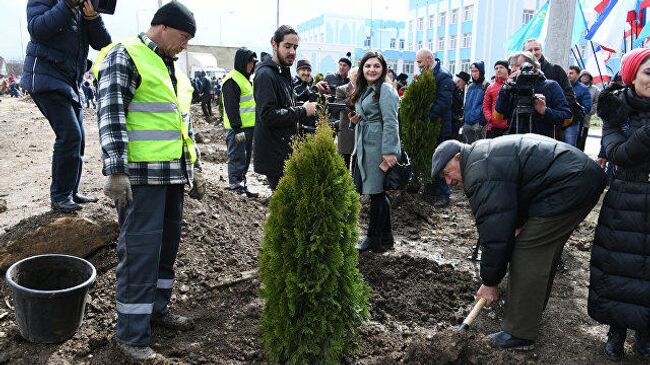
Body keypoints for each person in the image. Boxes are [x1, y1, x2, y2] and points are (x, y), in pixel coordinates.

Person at [93, 1, 204, 360]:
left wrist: (195, 165)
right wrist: (116, 168)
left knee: (165, 249)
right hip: (140, 179)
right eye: (183, 36)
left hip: (172, 176)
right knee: (139, 254)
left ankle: (156, 310)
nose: (184, 44)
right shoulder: (127, 55)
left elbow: (182, 125)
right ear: (162, 26)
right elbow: (111, 113)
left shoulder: (171, 69)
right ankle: (130, 336)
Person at [431, 134, 605, 350]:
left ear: (458, 157)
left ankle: (519, 333)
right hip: (577, 177)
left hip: (570, 183)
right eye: (444, 178)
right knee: (542, 248)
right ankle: (528, 310)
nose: (449, 182)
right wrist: (519, 223)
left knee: (528, 251)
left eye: (447, 173)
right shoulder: (480, 157)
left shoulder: (479, 173)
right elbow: (519, 188)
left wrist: (490, 282)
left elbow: (495, 235)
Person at [588, 47, 650, 361]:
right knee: (619, 269)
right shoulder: (615, 111)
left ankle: (645, 334)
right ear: (631, 75)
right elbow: (620, 153)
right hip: (626, 197)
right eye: (648, 73)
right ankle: (616, 332)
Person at [21, 0, 111, 212]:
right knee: (70, 134)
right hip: (45, 76)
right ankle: (60, 196)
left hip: (70, 81)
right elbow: (37, 28)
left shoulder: (82, 8)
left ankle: (70, 192)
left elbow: (102, 44)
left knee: (78, 138)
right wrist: (67, 5)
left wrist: (92, 18)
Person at [253, 25, 317, 191]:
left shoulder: (282, 72)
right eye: (287, 46)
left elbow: (285, 106)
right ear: (274, 44)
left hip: (285, 150)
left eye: (295, 47)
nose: (292, 52)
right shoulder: (266, 74)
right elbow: (268, 115)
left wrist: (301, 107)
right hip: (274, 154)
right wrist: (303, 111)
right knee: (287, 208)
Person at [348, 51, 400, 253]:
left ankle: (373, 238)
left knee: (376, 194)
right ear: (362, 69)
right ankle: (386, 238)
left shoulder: (385, 90)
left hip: (378, 147)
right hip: (365, 145)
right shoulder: (366, 89)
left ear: (383, 69)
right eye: (368, 66)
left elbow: (391, 122)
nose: (372, 70)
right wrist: (356, 122)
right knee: (377, 193)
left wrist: (389, 151)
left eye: (376, 66)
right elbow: (367, 115)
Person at [494, 51, 572, 137]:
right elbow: (498, 116)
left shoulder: (550, 86)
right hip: (515, 143)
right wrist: (505, 89)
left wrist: (544, 111)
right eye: (512, 66)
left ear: (533, 67)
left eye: (518, 65)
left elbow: (567, 119)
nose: (513, 69)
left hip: (540, 144)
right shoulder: (511, 87)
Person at [415, 48, 455, 208]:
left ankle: (444, 193)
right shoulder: (427, 74)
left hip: (439, 126)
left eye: (419, 62)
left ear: (429, 59)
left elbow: (443, 102)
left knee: (441, 160)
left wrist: (427, 118)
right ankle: (430, 189)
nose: (418, 65)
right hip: (430, 126)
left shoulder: (443, 76)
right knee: (430, 158)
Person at [524, 38, 581, 140]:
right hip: (524, 127)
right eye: (529, 50)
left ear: (541, 50)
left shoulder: (556, 70)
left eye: (536, 49)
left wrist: (547, 109)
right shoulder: (518, 73)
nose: (533, 52)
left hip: (550, 127)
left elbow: (569, 97)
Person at [221, 47, 258, 198]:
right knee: (237, 157)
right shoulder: (232, 80)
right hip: (237, 129)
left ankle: (242, 185)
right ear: (243, 62)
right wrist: (237, 129)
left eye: (254, 63)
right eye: (250, 63)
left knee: (245, 158)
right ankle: (236, 187)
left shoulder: (245, 79)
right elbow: (231, 107)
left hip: (248, 127)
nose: (252, 66)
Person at [335, 66, 359, 169]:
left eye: (359, 75)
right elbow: (339, 105)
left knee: (357, 162)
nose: (358, 77)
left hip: (360, 129)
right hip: (346, 130)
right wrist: (353, 97)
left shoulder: (366, 89)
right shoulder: (342, 89)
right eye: (355, 75)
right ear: (350, 76)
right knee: (344, 162)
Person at [565, 66, 592, 147]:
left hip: (573, 123)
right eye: (568, 73)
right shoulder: (563, 86)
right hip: (560, 122)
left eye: (571, 73)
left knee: (570, 147)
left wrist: (575, 113)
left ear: (578, 75)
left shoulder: (583, 89)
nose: (568, 75)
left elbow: (587, 107)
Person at [462, 61, 488, 143]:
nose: (474, 73)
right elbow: (466, 104)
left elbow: (488, 105)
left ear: (481, 71)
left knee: (480, 149)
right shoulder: (470, 86)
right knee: (469, 149)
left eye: (476, 71)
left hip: (478, 123)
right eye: (472, 71)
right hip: (467, 123)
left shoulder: (486, 86)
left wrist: (482, 122)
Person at [483, 61, 509, 138]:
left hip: (509, 128)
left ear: (507, 69)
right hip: (493, 128)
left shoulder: (513, 85)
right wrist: (490, 119)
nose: (498, 70)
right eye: (496, 68)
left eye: (501, 67)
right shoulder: (490, 87)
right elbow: (485, 106)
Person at [577, 70, 600, 151]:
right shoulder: (575, 86)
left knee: (582, 140)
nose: (585, 77)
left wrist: (588, 110)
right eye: (584, 75)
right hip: (574, 119)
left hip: (586, 119)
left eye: (587, 76)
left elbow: (597, 103)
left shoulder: (595, 90)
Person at [452, 71, 470, 140]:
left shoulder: (461, 91)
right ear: (460, 81)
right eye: (464, 84)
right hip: (453, 120)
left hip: (458, 121)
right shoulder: (453, 89)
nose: (464, 86)